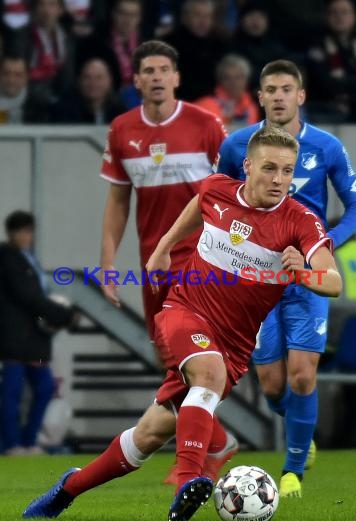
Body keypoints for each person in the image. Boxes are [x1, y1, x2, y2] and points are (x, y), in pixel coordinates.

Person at [22, 126, 342, 521]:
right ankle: (187, 482)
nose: (278, 179)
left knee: (149, 435)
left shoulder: (299, 221)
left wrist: (302, 275)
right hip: (184, 311)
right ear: (248, 166)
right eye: (270, 168)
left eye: (287, 171)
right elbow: (197, 206)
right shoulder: (217, 189)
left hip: (234, 345)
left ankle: (68, 489)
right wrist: (163, 248)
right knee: (207, 374)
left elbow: (333, 282)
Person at [217, 59, 356, 498]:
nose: (279, 96)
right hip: (256, 276)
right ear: (259, 97)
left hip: (306, 276)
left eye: (288, 89)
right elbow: (218, 201)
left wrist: (323, 244)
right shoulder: (236, 146)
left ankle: (292, 472)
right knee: (273, 386)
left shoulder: (327, 147)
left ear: (301, 96)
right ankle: (302, 429)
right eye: (271, 90)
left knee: (303, 376)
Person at [99, 39, 235, 484]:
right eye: (148, 70)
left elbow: (232, 189)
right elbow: (119, 201)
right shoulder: (121, 130)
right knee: (169, 360)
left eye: (164, 69)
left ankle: (197, 457)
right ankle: (215, 442)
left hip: (201, 260)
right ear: (135, 79)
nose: (156, 77)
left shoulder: (207, 125)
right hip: (151, 260)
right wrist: (107, 263)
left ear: (177, 77)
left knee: (187, 357)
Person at [0, 211, 76, 455]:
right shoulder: (8, 259)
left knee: (43, 388)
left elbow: (36, 297)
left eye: (30, 231)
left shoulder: (27, 259)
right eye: (23, 231)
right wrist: (62, 314)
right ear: (12, 233)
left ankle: (29, 441)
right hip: (14, 338)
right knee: (12, 393)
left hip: (34, 339)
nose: (28, 236)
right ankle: (12, 444)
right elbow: (29, 298)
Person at [194, 53, 260, 132]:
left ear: (247, 80)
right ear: (220, 81)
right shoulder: (205, 105)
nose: (234, 83)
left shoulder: (251, 108)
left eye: (238, 77)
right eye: (227, 78)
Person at [51, 57, 126, 124]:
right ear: (79, 81)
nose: (93, 83)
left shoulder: (121, 114)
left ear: (110, 81)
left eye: (99, 78)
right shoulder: (64, 112)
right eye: (87, 77)